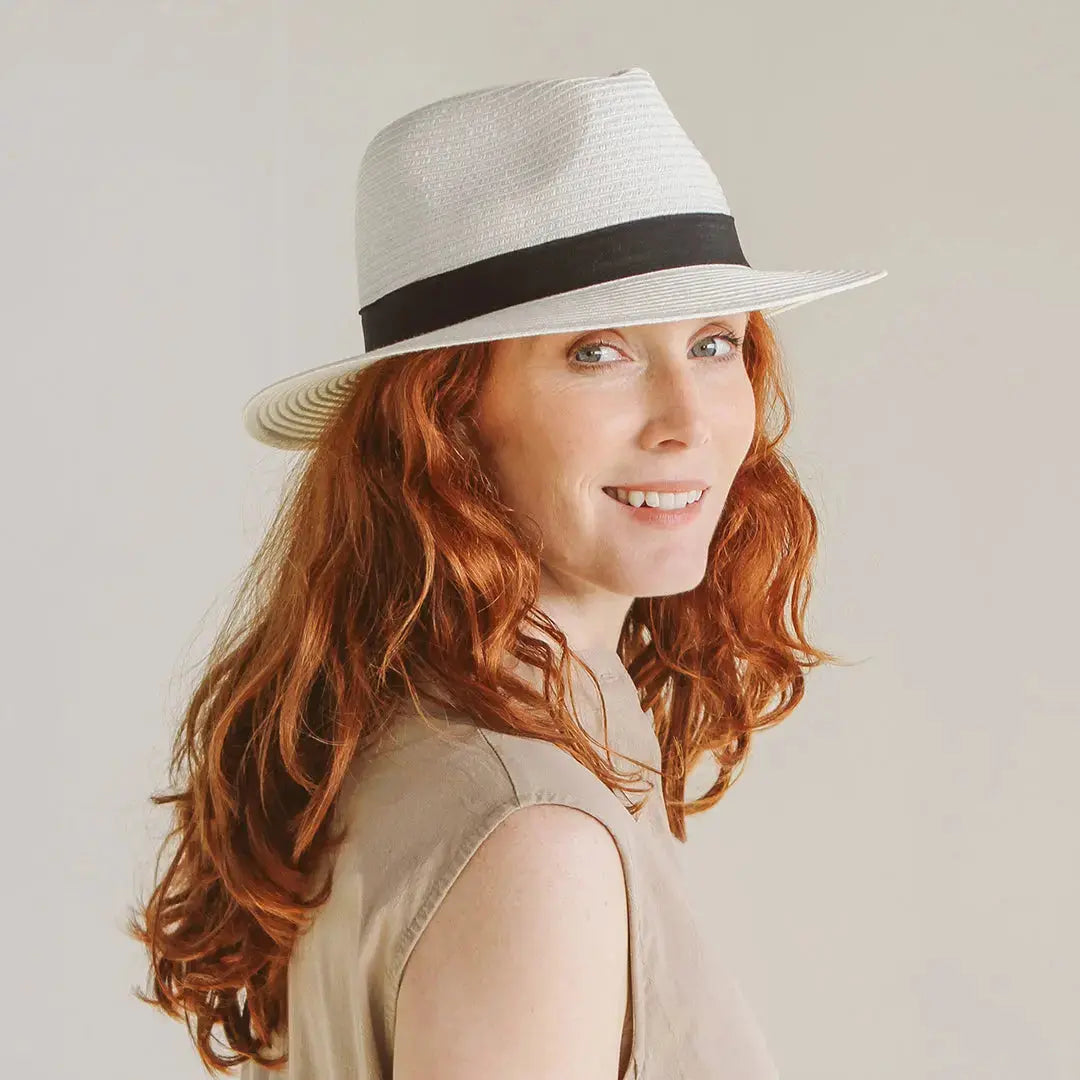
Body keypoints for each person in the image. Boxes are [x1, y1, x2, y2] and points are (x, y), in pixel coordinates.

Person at [127, 67, 886, 1078]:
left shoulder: (424, 731)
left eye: (715, 343)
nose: (689, 419)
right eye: (598, 353)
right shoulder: (534, 837)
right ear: (444, 416)